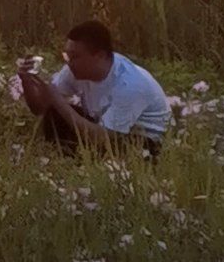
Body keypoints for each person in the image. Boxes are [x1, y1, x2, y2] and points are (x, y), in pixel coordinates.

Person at [15, 19, 172, 158]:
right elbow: (40, 109)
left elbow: (103, 139)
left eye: (75, 56)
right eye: (67, 56)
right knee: (55, 114)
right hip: (105, 130)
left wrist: (57, 100)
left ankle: (81, 162)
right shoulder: (74, 70)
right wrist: (27, 81)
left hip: (141, 142)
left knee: (62, 109)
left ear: (100, 56)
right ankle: (68, 160)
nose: (69, 63)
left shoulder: (131, 85)